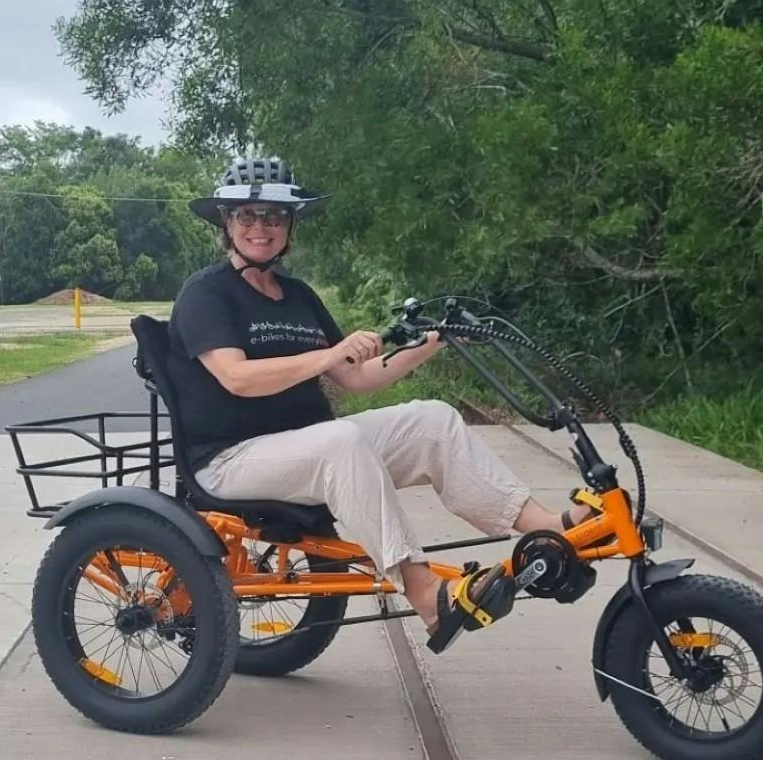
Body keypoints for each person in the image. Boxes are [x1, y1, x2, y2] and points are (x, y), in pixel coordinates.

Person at [167, 156, 600, 650]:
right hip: (230, 459)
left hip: (302, 449)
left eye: (274, 216)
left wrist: (438, 339)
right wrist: (327, 353)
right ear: (227, 222)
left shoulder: (297, 296)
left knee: (432, 420)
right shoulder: (206, 293)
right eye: (247, 215)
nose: (260, 227)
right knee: (342, 441)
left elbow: (358, 377)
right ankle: (425, 594)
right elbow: (237, 377)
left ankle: (544, 528)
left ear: (291, 225)